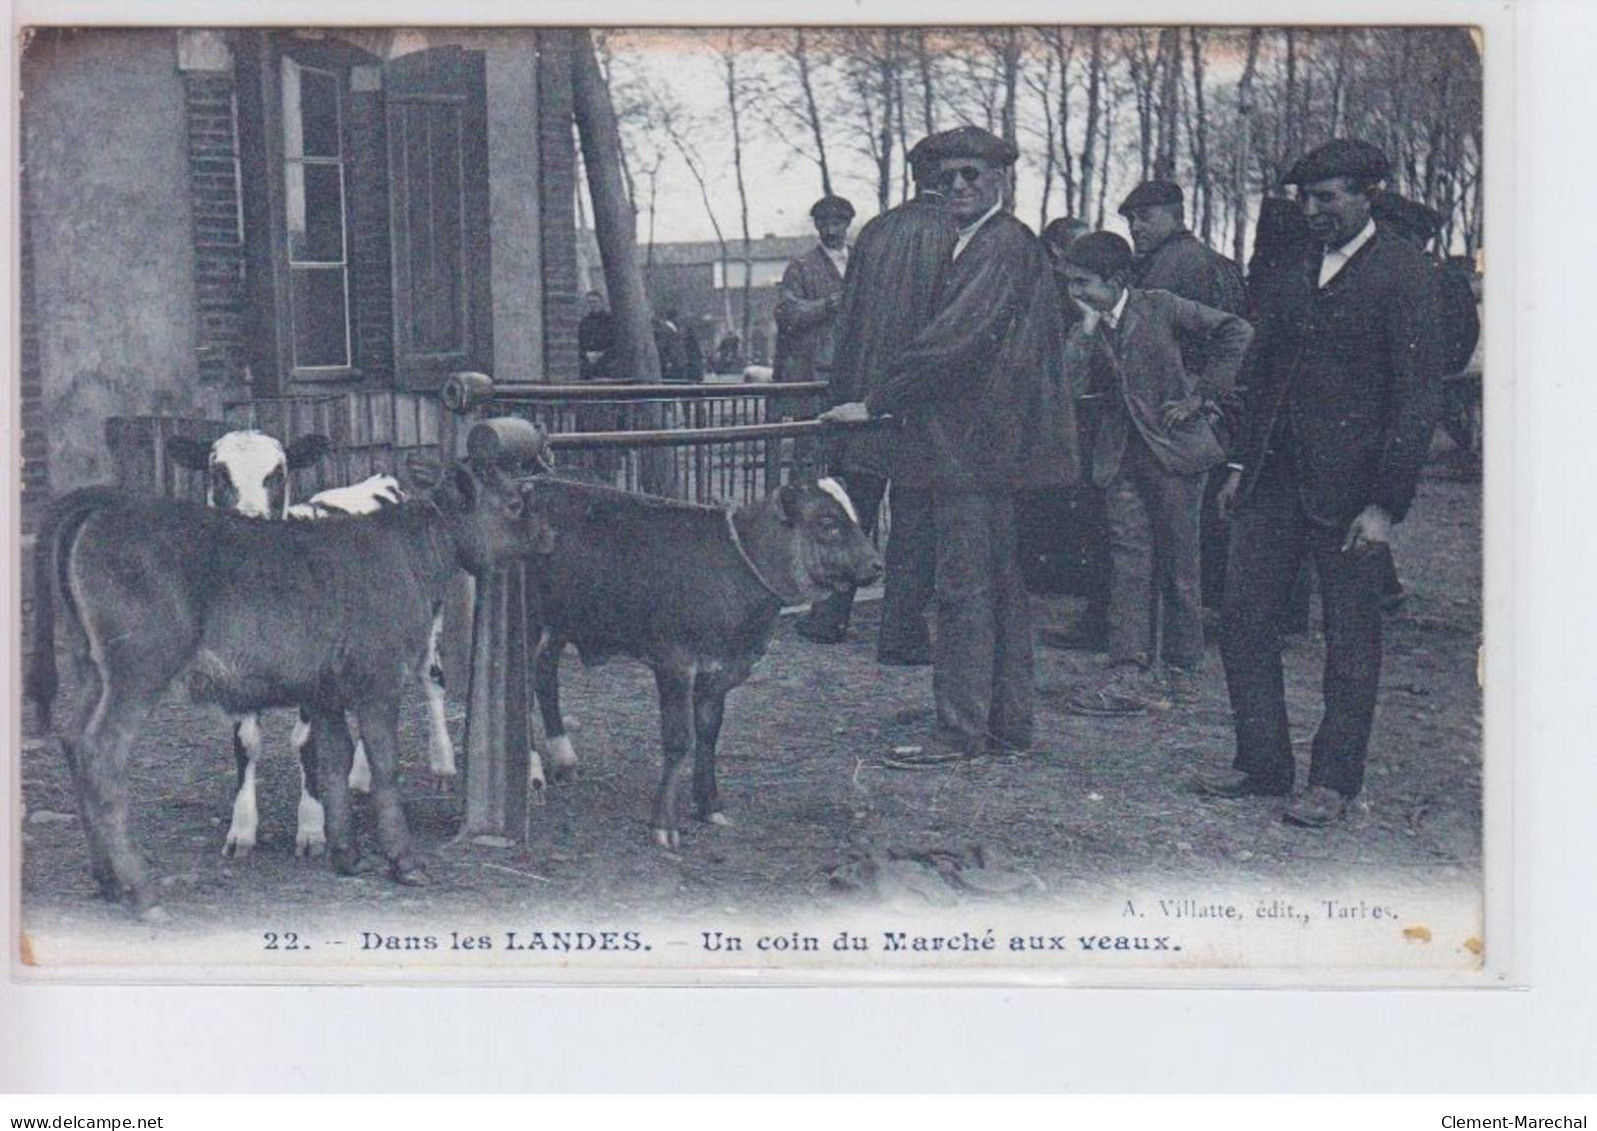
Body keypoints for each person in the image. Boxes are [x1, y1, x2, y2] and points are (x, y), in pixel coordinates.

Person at [1195, 139, 1445, 827]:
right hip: (1271, 481)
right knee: (1243, 620)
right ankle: (1261, 764)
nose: (1313, 209)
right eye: (1306, 198)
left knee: (1350, 639)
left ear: (1367, 195)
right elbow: (1262, 373)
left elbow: (1415, 398)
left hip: (1351, 494)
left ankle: (1333, 781)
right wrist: (1241, 465)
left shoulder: (1405, 274)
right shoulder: (1288, 266)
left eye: (1328, 196)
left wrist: (1384, 504)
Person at [820, 125, 1080, 766]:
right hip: (978, 447)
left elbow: (953, 341)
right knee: (995, 587)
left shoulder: (998, 246)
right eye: (948, 176)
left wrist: (874, 401)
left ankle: (960, 729)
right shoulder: (985, 243)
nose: (957, 185)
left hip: (969, 449)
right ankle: (1006, 724)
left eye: (972, 174)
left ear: (1001, 181)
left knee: (965, 590)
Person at [1056, 232, 1253, 716]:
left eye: (1083, 283)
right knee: (1128, 561)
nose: (1074, 293)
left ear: (1117, 279)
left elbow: (1237, 332)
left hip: (1176, 455)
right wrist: (1083, 332)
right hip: (1120, 457)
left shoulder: (1161, 306)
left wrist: (1203, 395)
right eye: (1069, 283)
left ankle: (1183, 670)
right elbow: (1067, 385)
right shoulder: (1084, 326)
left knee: (1180, 564)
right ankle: (1127, 666)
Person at [796, 146, 951, 662]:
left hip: (860, 392)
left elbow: (852, 316)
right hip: (914, 398)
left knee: (853, 506)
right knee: (913, 518)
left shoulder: (878, 232)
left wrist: (847, 391)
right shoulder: (956, 233)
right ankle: (902, 633)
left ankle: (827, 616)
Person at [1119, 180, 1251, 628]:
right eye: (1131, 219)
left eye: (1145, 217)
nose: (1135, 227)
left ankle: (1157, 632)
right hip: (1211, 406)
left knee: (1159, 529)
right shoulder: (1210, 259)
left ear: (1175, 215)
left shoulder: (1169, 268)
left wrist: (1200, 394)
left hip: (1176, 406)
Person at [773, 195, 855, 384]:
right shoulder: (801, 267)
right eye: (823, 225)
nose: (830, 231)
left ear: (848, 224)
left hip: (856, 364)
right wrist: (826, 306)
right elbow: (786, 312)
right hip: (816, 368)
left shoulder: (863, 260)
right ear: (816, 226)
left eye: (837, 224)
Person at [577, 289, 616, 380]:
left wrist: (601, 355)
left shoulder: (610, 321)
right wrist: (586, 355)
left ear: (601, 303)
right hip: (588, 364)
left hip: (607, 364)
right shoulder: (584, 323)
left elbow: (615, 343)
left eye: (594, 302)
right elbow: (580, 343)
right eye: (589, 302)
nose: (592, 305)